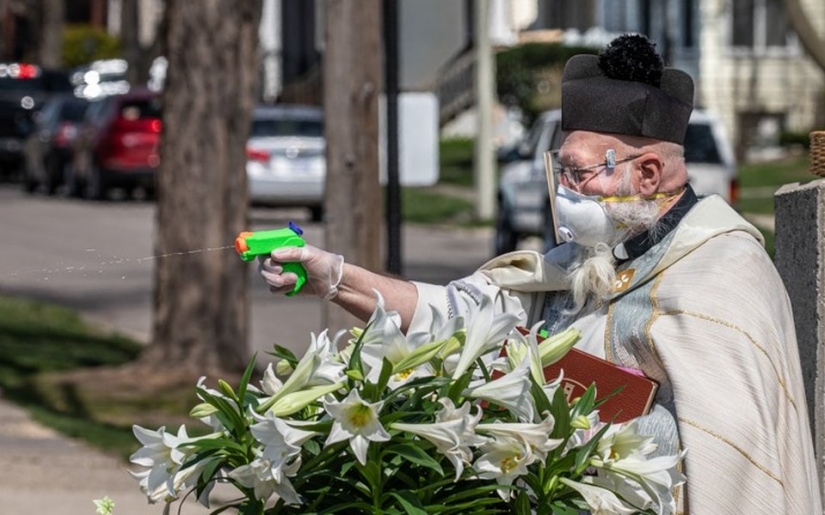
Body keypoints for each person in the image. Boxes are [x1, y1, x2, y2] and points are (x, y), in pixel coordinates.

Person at [259, 34, 821, 513]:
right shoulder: (585, 257)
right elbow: (459, 316)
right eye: (562, 171)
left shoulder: (722, 273)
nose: (564, 191)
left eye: (578, 173)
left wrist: (557, 427)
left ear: (648, 174)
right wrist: (334, 277)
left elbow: (726, 455)